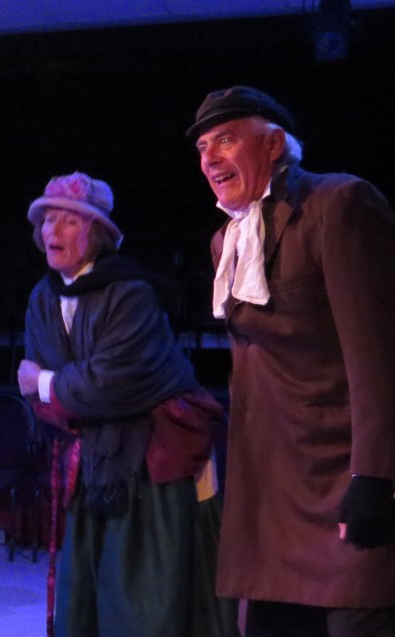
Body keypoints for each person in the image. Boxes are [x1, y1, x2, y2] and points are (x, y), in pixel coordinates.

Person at [188, 85, 395, 636]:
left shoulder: (338, 205)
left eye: (225, 140)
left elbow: (378, 354)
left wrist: (374, 474)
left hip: (341, 472)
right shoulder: (227, 242)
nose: (209, 158)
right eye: (203, 147)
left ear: (274, 144)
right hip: (272, 487)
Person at [17, 172, 238, 637]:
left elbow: (111, 385)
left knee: (146, 595)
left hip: (154, 461)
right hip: (93, 463)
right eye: (48, 220)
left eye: (69, 221)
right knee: (87, 595)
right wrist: (60, 391)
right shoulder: (42, 298)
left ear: (96, 233)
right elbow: (48, 398)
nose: (53, 231)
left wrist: (49, 383)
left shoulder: (131, 293)